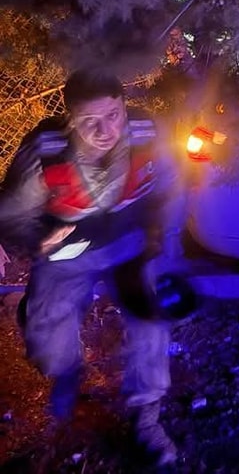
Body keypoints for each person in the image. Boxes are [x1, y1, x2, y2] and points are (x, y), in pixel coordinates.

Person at [0, 67, 184, 465]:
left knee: (150, 324)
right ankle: (67, 370)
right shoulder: (47, 152)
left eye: (113, 115)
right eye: (90, 121)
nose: (105, 130)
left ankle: (146, 419)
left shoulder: (147, 133)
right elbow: (11, 213)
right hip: (68, 256)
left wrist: (161, 235)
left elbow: (171, 186)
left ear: (124, 106)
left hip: (129, 248)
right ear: (70, 118)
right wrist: (38, 238)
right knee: (48, 345)